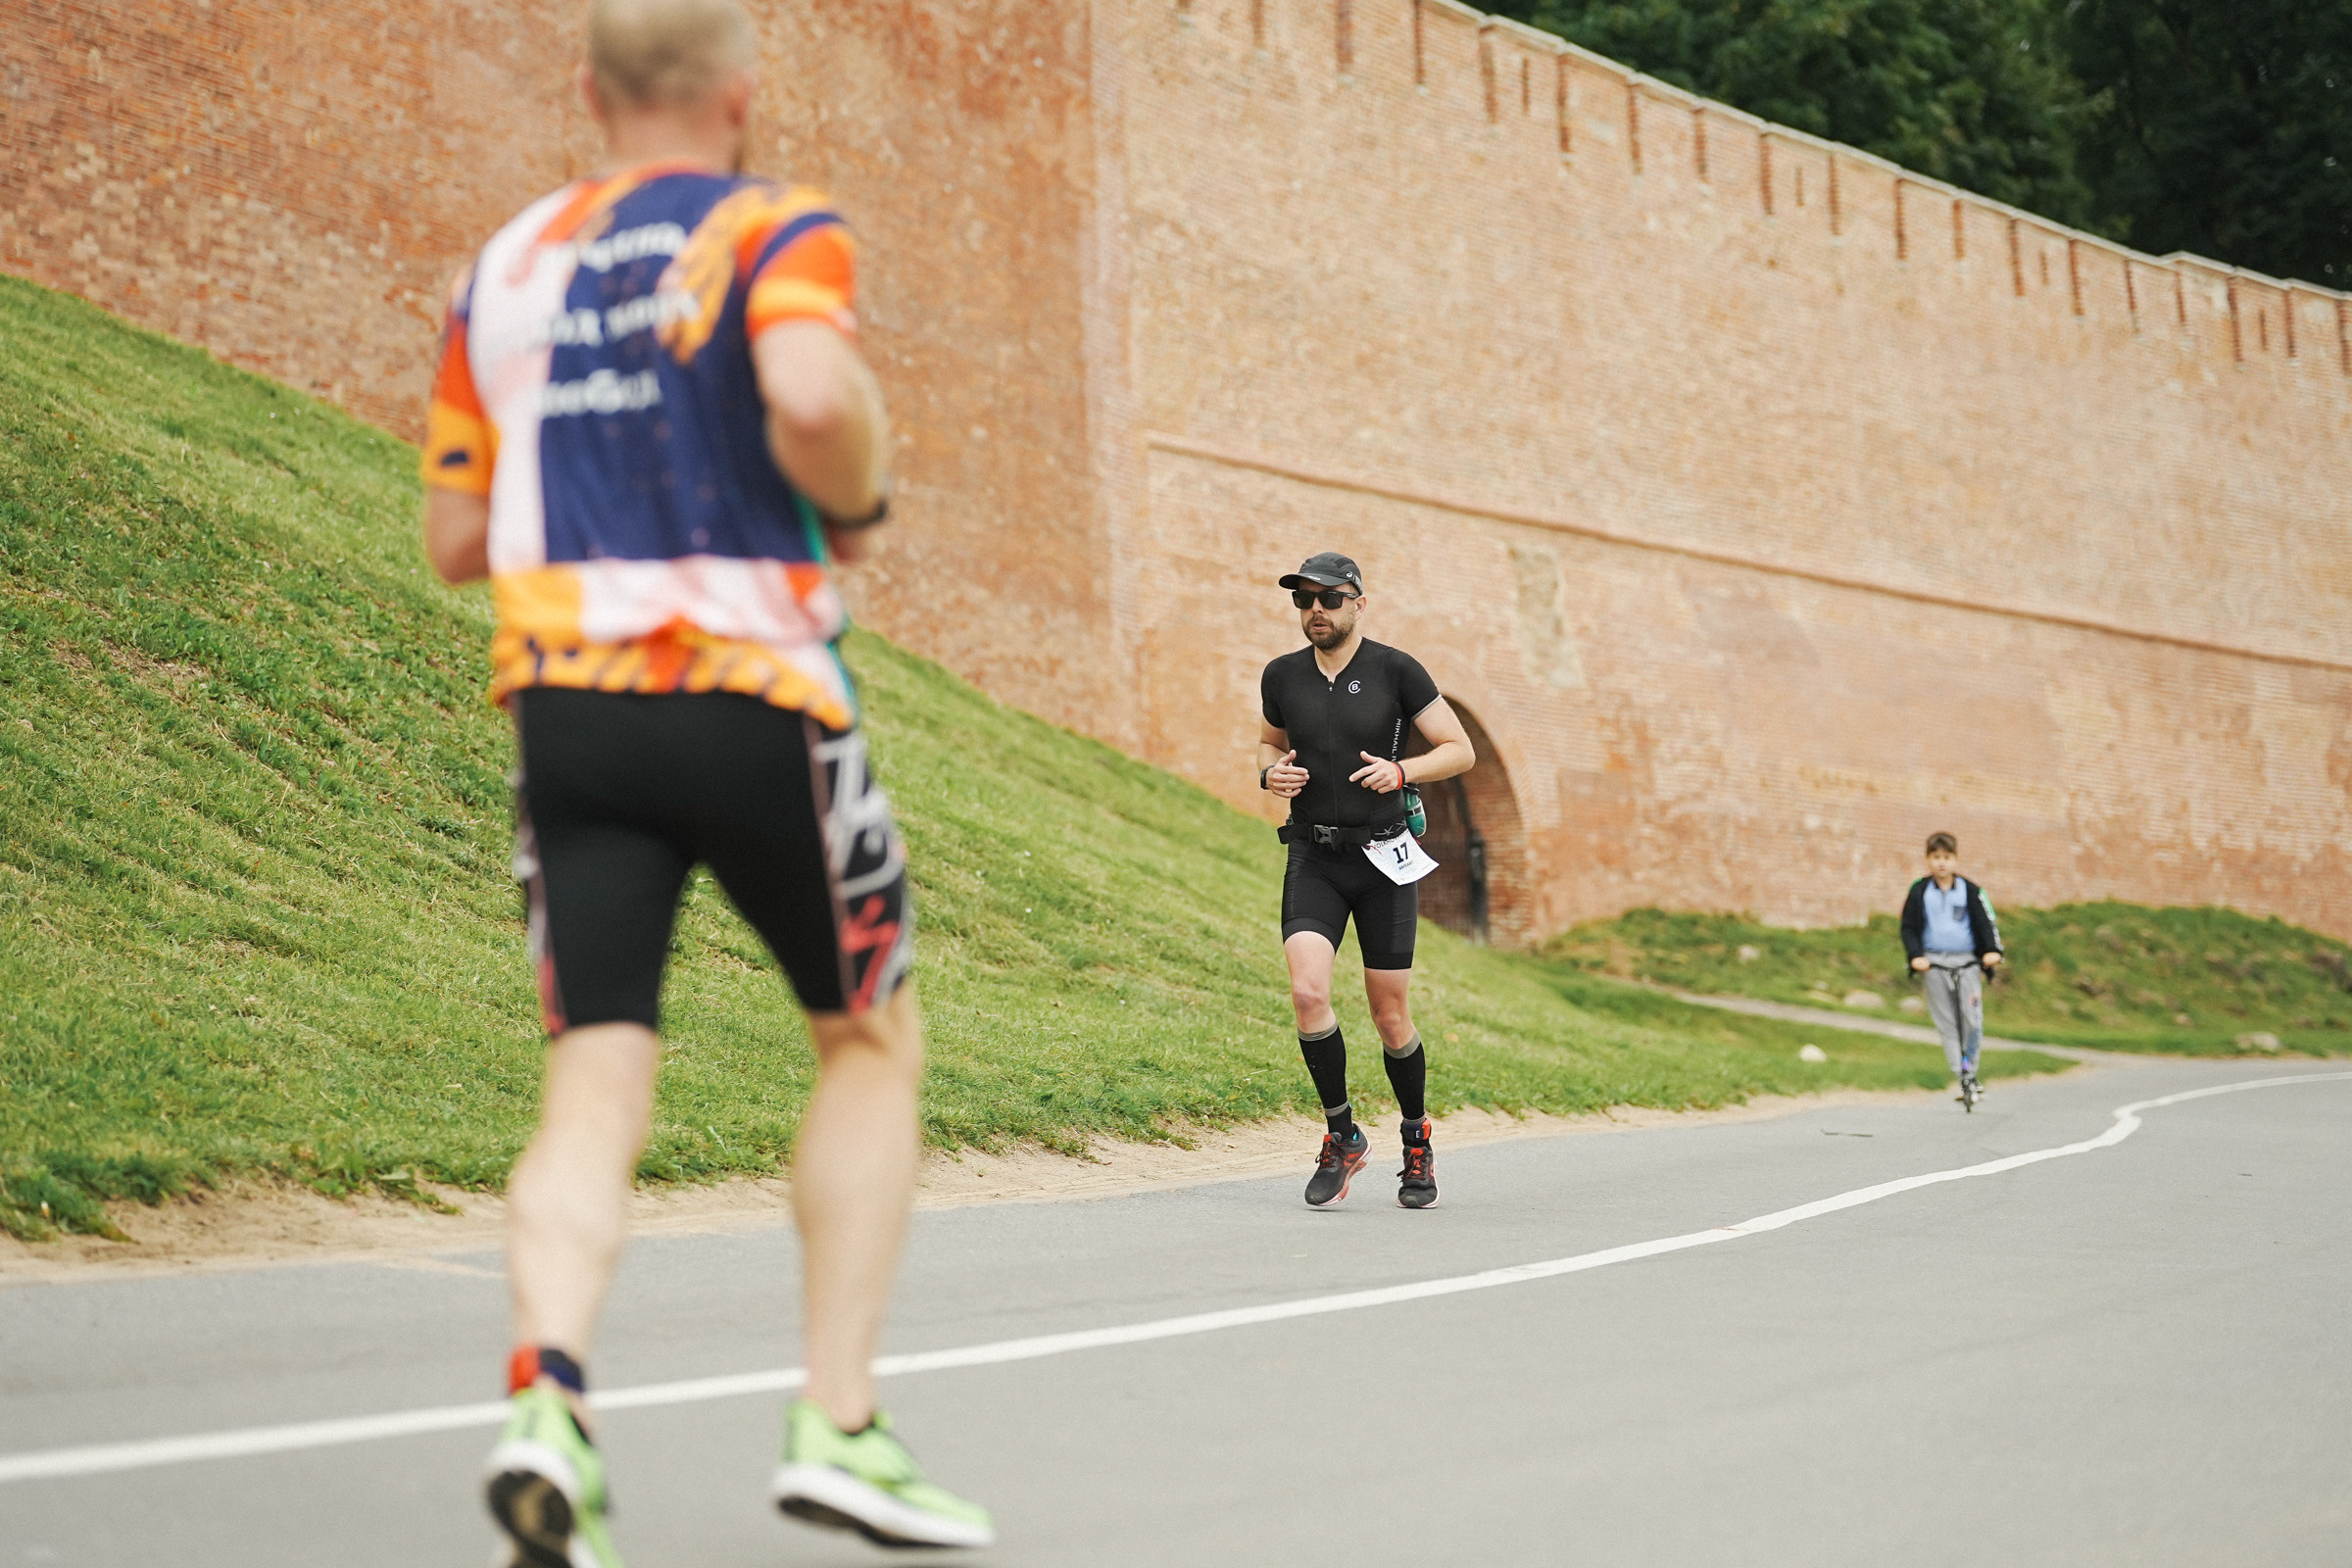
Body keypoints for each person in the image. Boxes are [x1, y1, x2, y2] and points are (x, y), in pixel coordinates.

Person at [417, 1, 991, 1557]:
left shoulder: (507, 266)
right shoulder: (769, 227)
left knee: (595, 1074)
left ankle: (547, 1400)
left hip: (565, 711)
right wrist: (859, 495)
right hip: (751, 692)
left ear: (586, 92)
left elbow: (457, 539)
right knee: (868, 1039)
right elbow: (812, 402)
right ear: (742, 94)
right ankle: (841, 1424)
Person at [1257, 552, 1475, 1209]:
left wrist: (1403, 772)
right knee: (1306, 992)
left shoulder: (1395, 670)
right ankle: (1342, 1134)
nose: (1315, 610)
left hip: (1384, 859)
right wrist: (1270, 775)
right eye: (1304, 600)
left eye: (1328, 598)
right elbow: (1269, 745)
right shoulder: (1282, 676)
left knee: (1389, 1014)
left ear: (1358, 603)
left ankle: (1416, 1141)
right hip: (1314, 857)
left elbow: (1458, 749)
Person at [1899, 832, 2005, 1103]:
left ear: (1955, 859)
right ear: (1928, 860)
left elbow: (1986, 923)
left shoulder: (1971, 891)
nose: (1941, 863)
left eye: (1947, 857)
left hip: (1967, 961)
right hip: (1933, 963)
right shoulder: (1920, 890)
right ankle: (1962, 1077)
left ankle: (1972, 1070)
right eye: (1936, 858)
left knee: (1971, 1020)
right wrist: (1915, 956)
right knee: (1947, 1023)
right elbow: (1908, 927)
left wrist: (1992, 951)